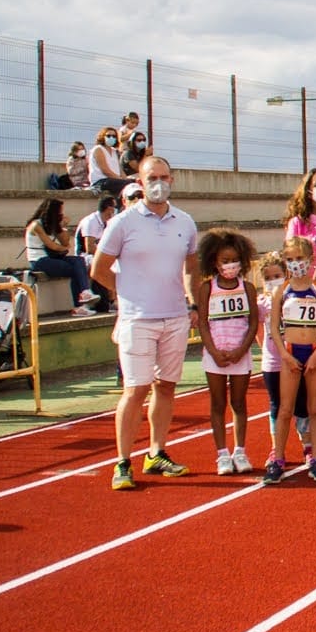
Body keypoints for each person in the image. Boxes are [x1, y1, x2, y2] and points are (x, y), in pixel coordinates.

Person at [91, 156, 200, 491]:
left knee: (165, 387)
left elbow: (191, 265)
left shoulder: (185, 221)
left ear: (173, 179)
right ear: (140, 180)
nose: (159, 182)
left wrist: (191, 301)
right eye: (152, 177)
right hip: (137, 319)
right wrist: (126, 293)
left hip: (174, 317)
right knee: (135, 389)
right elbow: (98, 269)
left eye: (165, 176)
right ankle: (123, 461)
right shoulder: (123, 223)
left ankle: (157, 452)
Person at [264, 237, 316, 484]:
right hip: (290, 351)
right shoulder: (281, 291)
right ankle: (278, 458)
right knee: (285, 408)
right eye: (290, 260)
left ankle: (315, 457)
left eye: (299, 259)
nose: (295, 264)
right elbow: (273, 326)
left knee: (314, 408)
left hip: (313, 349)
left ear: (310, 260)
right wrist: (284, 354)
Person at [195, 227, 259, 476]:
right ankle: (222, 454)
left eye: (234, 260)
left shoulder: (248, 288)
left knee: (239, 403)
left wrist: (243, 350)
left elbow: (253, 322)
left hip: (240, 354)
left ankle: (240, 451)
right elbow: (202, 321)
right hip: (215, 355)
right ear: (214, 262)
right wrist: (212, 351)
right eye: (225, 261)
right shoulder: (207, 288)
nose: (230, 265)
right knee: (217, 403)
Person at [25, 199, 99, 316]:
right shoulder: (36, 225)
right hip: (39, 261)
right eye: (60, 212)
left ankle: (84, 292)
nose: (62, 215)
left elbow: (64, 242)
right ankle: (79, 305)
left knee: (79, 261)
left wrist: (63, 227)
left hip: (51, 258)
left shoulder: (52, 225)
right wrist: (63, 248)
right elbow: (52, 245)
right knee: (76, 270)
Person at [90, 126, 130, 193]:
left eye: (114, 136)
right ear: (103, 136)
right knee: (125, 185)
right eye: (108, 136)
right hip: (101, 181)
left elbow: (120, 170)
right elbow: (105, 171)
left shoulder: (114, 151)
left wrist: (127, 180)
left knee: (133, 184)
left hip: (115, 180)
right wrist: (122, 180)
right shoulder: (98, 149)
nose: (111, 138)